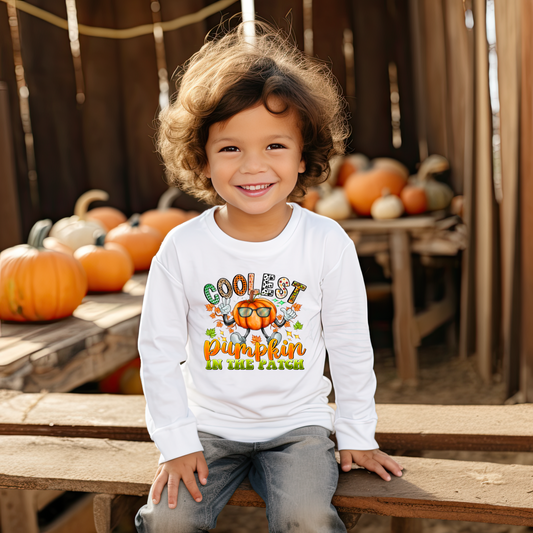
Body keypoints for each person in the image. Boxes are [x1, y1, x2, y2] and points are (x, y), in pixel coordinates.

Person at [135, 20, 403, 533]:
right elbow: (159, 351)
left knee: (307, 519)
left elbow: (349, 345)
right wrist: (176, 441)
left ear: (304, 155)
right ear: (203, 158)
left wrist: (356, 432)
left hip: (299, 429)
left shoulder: (326, 243)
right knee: (167, 523)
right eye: (231, 148)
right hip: (206, 428)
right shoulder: (182, 247)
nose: (253, 167)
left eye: (275, 147)